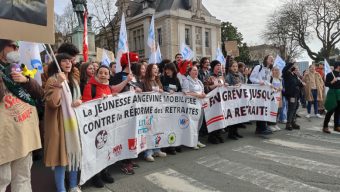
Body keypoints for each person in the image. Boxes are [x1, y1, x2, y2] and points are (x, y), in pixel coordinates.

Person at [0, 39, 43, 192]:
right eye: (12, 45)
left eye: (17, 46)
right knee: (2, 179)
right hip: (4, 137)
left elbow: (39, 94)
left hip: (24, 133)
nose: (16, 48)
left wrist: (26, 80)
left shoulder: (22, 68)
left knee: (23, 177)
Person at [44, 53, 82, 192]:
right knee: (60, 160)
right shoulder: (52, 80)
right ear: (57, 63)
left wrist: (78, 102)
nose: (68, 63)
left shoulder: (73, 80)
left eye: (70, 61)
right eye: (64, 61)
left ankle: (73, 185)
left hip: (73, 124)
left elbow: (78, 98)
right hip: (59, 125)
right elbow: (53, 103)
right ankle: (61, 189)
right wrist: (59, 84)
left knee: (74, 153)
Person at [82, 65, 115, 188]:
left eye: (106, 73)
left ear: (109, 75)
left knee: (106, 149)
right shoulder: (90, 87)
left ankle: (104, 172)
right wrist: (99, 101)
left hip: (106, 125)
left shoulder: (109, 88)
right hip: (94, 125)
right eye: (100, 73)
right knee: (95, 151)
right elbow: (85, 106)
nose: (103, 75)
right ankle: (95, 176)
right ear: (96, 74)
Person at [110, 52, 139, 174]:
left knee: (132, 135)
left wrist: (138, 89)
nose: (137, 64)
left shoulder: (134, 76)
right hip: (122, 112)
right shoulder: (118, 76)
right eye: (134, 63)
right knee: (124, 136)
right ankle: (124, 162)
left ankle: (129, 158)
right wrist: (126, 80)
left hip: (134, 110)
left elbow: (135, 89)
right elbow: (113, 89)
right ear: (128, 63)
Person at [142, 64, 167, 162]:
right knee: (149, 131)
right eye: (154, 68)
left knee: (157, 129)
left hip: (157, 110)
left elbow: (162, 91)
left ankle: (157, 149)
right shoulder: (144, 81)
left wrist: (163, 91)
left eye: (157, 68)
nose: (156, 70)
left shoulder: (157, 80)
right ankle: (148, 152)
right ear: (149, 70)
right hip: (148, 111)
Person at [160, 63, 183, 154]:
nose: (167, 71)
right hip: (165, 107)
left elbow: (180, 90)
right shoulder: (162, 79)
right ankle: (167, 146)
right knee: (166, 127)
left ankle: (174, 144)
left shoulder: (176, 79)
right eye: (166, 69)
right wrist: (167, 90)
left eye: (169, 69)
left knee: (174, 126)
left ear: (173, 70)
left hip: (174, 107)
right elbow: (160, 89)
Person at [249, 55, 274, 135]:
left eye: (273, 59)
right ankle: (261, 128)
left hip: (265, 93)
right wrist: (259, 82)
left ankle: (262, 127)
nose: (272, 59)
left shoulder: (269, 69)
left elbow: (267, 80)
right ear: (266, 59)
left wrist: (270, 85)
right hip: (258, 92)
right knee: (260, 110)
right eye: (270, 58)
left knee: (265, 109)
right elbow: (251, 78)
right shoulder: (258, 67)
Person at [183, 66, 207, 149]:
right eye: (194, 70)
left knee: (199, 123)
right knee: (192, 124)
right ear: (189, 72)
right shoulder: (186, 81)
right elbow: (186, 93)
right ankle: (192, 142)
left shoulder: (199, 81)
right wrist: (198, 95)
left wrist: (203, 94)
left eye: (197, 70)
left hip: (200, 105)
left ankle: (196, 140)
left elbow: (202, 91)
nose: (196, 72)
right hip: (192, 106)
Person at [204, 60, 226, 144]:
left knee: (220, 117)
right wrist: (215, 86)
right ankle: (212, 136)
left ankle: (218, 134)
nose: (219, 67)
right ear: (213, 67)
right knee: (213, 118)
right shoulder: (209, 76)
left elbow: (223, 86)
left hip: (221, 101)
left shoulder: (221, 76)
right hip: (212, 101)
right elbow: (205, 88)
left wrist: (225, 85)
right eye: (217, 65)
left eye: (220, 65)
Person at [224, 61, 245, 139]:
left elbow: (244, 83)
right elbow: (226, 87)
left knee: (237, 116)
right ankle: (231, 133)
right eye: (233, 66)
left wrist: (240, 84)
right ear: (230, 68)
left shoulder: (240, 75)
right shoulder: (228, 76)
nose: (235, 68)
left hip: (239, 99)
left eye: (236, 66)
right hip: (231, 100)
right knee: (232, 117)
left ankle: (235, 132)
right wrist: (233, 86)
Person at [282, 62, 305, 131]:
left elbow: (298, 83)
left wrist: (302, 83)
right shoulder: (287, 74)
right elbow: (284, 70)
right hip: (291, 94)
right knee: (291, 108)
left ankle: (293, 122)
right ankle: (288, 123)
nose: (296, 68)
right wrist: (291, 63)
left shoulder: (294, 75)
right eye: (294, 67)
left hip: (296, 94)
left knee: (295, 108)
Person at [323, 61, 340, 133]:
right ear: (338, 66)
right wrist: (332, 81)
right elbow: (326, 84)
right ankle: (325, 126)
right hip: (332, 93)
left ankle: (336, 126)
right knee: (330, 110)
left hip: (339, 93)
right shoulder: (330, 74)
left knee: (338, 111)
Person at [268, 66, 282, 131]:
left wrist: (281, 89)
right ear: (272, 71)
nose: (276, 71)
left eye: (277, 70)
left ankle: (275, 124)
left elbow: (283, 89)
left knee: (278, 111)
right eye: (275, 70)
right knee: (272, 111)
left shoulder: (279, 79)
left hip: (279, 97)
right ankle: (270, 125)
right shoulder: (270, 78)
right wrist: (274, 89)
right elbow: (268, 87)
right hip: (272, 97)